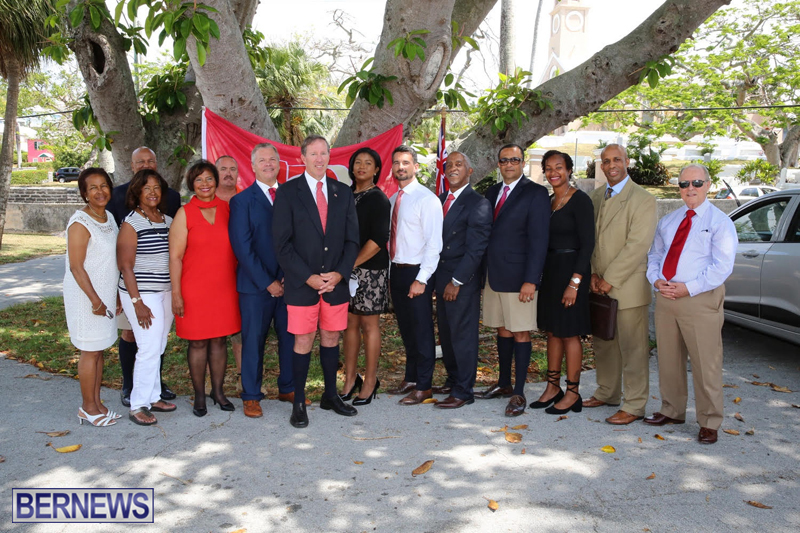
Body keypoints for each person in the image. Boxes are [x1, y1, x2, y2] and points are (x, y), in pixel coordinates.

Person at [645, 164, 737, 444]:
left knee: (706, 363)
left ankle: (709, 421)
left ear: (708, 185)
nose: (690, 189)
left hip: (699, 299)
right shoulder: (669, 221)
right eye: (684, 184)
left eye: (696, 183)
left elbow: (722, 267)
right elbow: (655, 255)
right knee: (668, 359)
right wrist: (656, 280)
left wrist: (689, 288)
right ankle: (671, 410)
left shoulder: (720, 222)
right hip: (667, 298)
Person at [273, 135, 360, 427]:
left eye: (324, 153)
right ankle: (299, 401)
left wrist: (340, 273)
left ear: (329, 156)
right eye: (313, 154)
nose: (319, 159)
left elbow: (352, 240)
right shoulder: (288, 192)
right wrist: (307, 277)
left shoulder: (342, 192)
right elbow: (281, 244)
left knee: (332, 338)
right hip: (302, 285)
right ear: (302, 158)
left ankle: (330, 395)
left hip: (335, 284)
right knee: (303, 340)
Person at [476, 143, 549, 417]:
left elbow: (539, 240)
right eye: (504, 160)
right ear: (498, 164)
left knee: (520, 331)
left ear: (522, 163)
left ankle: (519, 392)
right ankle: (504, 383)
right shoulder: (492, 192)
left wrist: (531, 280)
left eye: (514, 160)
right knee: (502, 329)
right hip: (494, 276)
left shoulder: (536, 193)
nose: (509, 164)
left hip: (519, 278)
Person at [586, 144, 657, 425]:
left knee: (633, 349)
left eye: (617, 159)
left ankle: (635, 404)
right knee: (604, 343)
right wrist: (593, 274)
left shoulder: (643, 199)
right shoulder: (595, 197)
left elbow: (637, 245)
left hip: (627, 287)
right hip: (597, 284)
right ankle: (607, 392)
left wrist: (609, 279)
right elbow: (589, 241)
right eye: (606, 161)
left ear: (627, 162)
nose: (611, 165)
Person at [229, 144, 299, 419]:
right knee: (253, 341)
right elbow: (242, 247)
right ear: (253, 166)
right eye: (262, 160)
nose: (268, 164)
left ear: (279, 163)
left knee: (289, 337)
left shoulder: (292, 196)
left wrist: (287, 276)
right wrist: (268, 282)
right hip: (255, 287)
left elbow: (299, 240)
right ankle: (251, 396)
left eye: (272, 159)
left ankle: (288, 387)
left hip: (289, 283)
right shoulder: (241, 201)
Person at [108, 147, 181, 407]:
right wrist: (136, 302)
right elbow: (125, 266)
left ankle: (154, 395)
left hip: (164, 291)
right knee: (148, 346)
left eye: (156, 188)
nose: (152, 192)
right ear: (137, 192)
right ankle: (138, 404)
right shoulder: (131, 222)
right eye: (146, 188)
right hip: (142, 293)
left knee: (158, 345)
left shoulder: (167, 220)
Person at [169, 160, 241, 417]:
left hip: (225, 288)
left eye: (209, 178)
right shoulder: (184, 213)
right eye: (198, 179)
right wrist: (176, 294)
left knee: (220, 340)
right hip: (194, 290)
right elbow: (175, 257)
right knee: (198, 343)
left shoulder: (229, 209)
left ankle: (218, 392)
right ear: (192, 184)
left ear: (216, 181)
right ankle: (199, 395)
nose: (205, 184)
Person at [531, 151, 595, 415]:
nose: (553, 172)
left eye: (559, 167)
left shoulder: (581, 201)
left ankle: (573, 393)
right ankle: (552, 387)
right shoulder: (547, 202)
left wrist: (575, 283)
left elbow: (588, 244)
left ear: (569, 170)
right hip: (551, 273)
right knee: (552, 331)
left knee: (569, 333)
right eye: (548, 168)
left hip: (572, 273)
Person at [432, 152, 491, 409]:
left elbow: (476, 249)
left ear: (470, 171)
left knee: (462, 335)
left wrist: (456, 282)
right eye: (449, 165)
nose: (453, 168)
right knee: (446, 334)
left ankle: (464, 390)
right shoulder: (440, 200)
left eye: (459, 165)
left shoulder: (478, 203)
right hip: (440, 277)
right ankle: (453, 380)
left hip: (461, 280)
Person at [64, 168, 122, 427]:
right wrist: (95, 301)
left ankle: (97, 404)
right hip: (86, 298)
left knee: (98, 351)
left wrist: (114, 295)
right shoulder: (80, 223)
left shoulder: (109, 217)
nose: (100, 191)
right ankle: (87, 408)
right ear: (84, 194)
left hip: (105, 296)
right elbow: (76, 267)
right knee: (89, 351)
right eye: (93, 188)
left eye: (104, 185)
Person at [386, 145, 443, 405]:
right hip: (396, 272)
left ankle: (424, 386)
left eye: (406, 162)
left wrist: (422, 279)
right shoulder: (392, 200)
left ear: (416, 167)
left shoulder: (426, 199)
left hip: (417, 273)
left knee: (422, 331)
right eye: (397, 162)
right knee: (407, 329)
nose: (401, 167)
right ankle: (410, 378)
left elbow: (434, 244)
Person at [340, 147, 391, 406]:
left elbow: (378, 240)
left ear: (377, 169)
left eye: (368, 163)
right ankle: (350, 379)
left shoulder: (379, 199)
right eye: (357, 162)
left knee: (369, 326)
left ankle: (370, 381)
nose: (361, 166)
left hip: (370, 271)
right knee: (349, 324)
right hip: (345, 270)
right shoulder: (344, 195)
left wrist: (350, 265)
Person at [214, 155, 243, 391]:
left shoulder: (246, 198)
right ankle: (214, 383)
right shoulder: (205, 200)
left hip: (243, 274)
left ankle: (245, 380)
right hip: (213, 276)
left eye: (233, 169)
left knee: (241, 332)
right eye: (223, 169)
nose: (228, 173)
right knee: (214, 333)